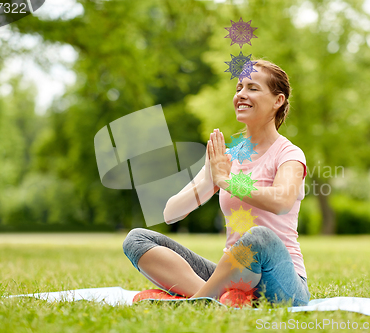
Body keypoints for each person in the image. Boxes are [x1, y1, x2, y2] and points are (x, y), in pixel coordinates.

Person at [123, 59, 310, 307]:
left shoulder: (289, 153)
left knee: (259, 237)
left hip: (281, 282)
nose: (241, 94)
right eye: (239, 88)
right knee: (136, 239)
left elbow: (282, 201)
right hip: (232, 272)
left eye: (252, 88)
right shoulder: (227, 157)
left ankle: (199, 299)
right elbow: (171, 213)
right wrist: (210, 180)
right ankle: (216, 297)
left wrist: (227, 180)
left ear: (278, 101)